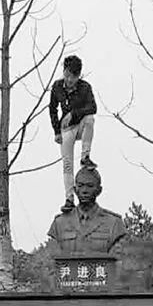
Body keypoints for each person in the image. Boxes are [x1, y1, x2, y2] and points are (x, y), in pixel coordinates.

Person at [49, 55, 97, 213]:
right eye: (67, 75)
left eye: (74, 77)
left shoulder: (85, 87)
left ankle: (85, 156)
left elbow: (92, 107)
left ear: (79, 76)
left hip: (81, 124)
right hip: (66, 129)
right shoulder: (57, 86)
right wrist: (56, 131)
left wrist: (74, 114)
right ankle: (69, 198)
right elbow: (52, 109)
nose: (70, 80)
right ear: (64, 72)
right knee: (67, 164)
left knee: (90, 119)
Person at [48, 167, 126, 255]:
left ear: (99, 190)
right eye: (80, 186)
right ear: (75, 189)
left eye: (90, 186)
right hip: (70, 269)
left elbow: (117, 263)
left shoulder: (114, 223)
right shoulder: (60, 223)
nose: (84, 191)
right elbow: (52, 261)